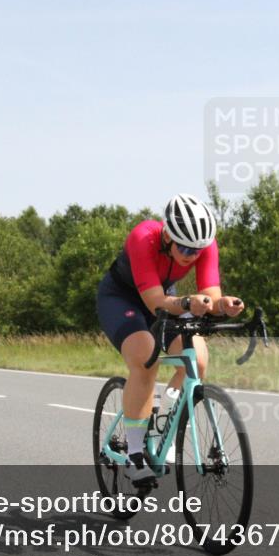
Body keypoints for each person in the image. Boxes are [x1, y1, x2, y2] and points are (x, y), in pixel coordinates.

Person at [96, 194, 245, 482]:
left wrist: (222, 304)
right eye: (185, 248)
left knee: (197, 361)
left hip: (167, 299)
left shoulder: (204, 244)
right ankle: (134, 453)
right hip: (122, 299)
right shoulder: (143, 237)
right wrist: (189, 302)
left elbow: (210, 294)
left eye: (197, 250)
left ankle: (163, 420)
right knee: (145, 358)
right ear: (167, 236)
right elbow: (155, 303)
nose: (191, 255)